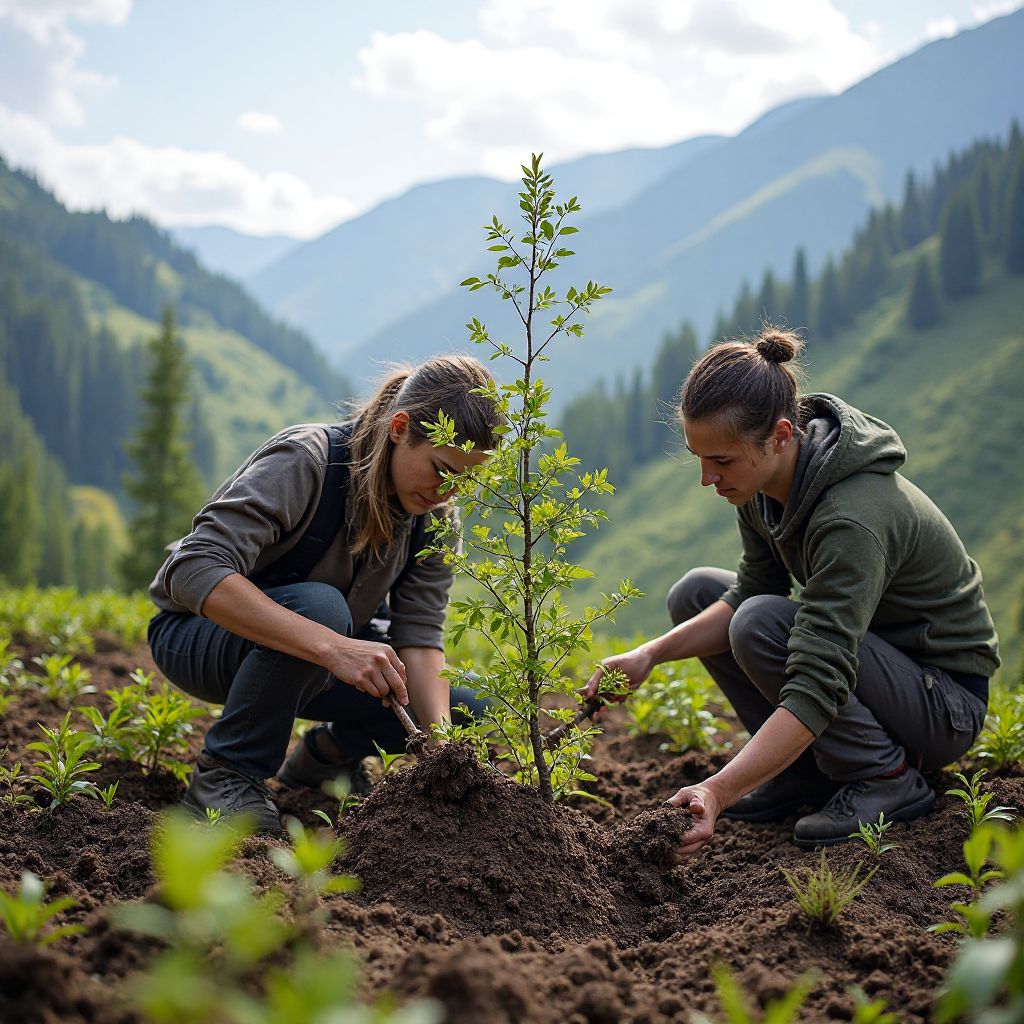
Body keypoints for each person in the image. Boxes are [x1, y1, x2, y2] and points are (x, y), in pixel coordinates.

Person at [584, 327, 999, 854]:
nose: (707, 479)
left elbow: (817, 676)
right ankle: (805, 770)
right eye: (700, 458)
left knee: (760, 622)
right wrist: (649, 655)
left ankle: (884, 776)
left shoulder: (852, 518)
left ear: (781, 435)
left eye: (723, 461)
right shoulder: (763, 489)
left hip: (943, 702)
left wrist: (717, 791)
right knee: (696, 594)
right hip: (882, 663)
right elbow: (754, 586)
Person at [147, 354, 499, 834]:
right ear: (400, 428)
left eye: (466, 477)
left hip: (315, 657)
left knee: (467, 711)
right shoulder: (307, 460)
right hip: (199, 637)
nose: (448, 490)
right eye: (441, 468)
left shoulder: (436, 520)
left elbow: (419, 638)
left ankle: (324, 761)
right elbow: (192, 569)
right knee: (323, 610)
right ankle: (225, 776)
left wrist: (440, 756)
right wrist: (333, 647)